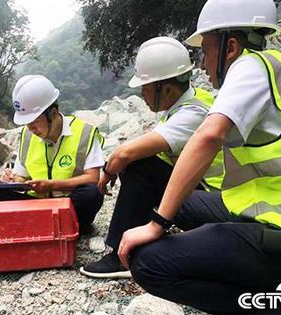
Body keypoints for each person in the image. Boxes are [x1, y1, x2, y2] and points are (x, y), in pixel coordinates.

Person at [117, 0, 281, 315]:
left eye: (206, 50)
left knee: (149, 264)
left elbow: (209, 135)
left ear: (231, 46)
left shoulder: (250, 67)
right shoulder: (277, 69)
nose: (203, 65)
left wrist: (157, 224)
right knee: (181, 203)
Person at [80, 36, 224, 279]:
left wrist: (107, 173)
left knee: (138, 163)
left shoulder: (192, 114)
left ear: (165, 88)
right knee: (139, 162)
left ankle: (120, 256)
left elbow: (125, 153)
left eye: (145, 87)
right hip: (208, 195)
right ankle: (140, 231)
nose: (143, 94)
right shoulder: (184, 104)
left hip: (215, 201)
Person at [0, 75, 104, 233]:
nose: (31, 128)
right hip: (36, 202)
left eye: (34, 121)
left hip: (69, 202)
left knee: (92, 193)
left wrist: (52, 185)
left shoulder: (85, 133)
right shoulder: (27, 135)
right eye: (27, 123)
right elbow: (21, 177)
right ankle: (54, 227)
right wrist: (11, 180)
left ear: (53, 113)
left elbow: (93, 178)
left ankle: (36, 227)